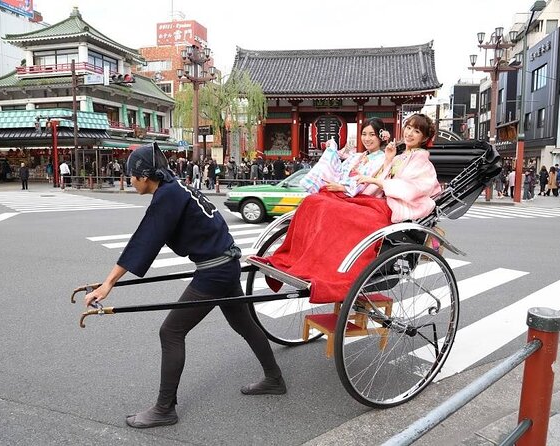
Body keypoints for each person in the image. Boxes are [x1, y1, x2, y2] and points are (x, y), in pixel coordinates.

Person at [84, 143, 286, 429]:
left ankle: (165, 409)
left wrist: (108, 284)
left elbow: (143, 242)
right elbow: (149, 239)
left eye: (132, 175)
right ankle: (274, 379)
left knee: (171, 331)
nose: (130, 180)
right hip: (224, 263)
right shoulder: (174, 187)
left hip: (215, 270)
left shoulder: (166, 196)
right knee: (244, 324)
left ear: (144, 176)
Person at [258, 114, 440, 304]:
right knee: (315, 201)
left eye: (416, 131)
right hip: (377, 201)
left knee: (340, 213)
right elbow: (384, 179)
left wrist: (374, 179)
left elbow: (412, 188)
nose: (410, 133)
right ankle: (303, 259)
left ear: (425, 138)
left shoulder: (422, 163)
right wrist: (388, 161)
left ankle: (331, 269)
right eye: (409, 128)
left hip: (393, 207)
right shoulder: (400, 156)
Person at [301, 117, 389, 197]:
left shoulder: (382, 159)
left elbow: (366, 183)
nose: (366, 139)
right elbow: (340, 170)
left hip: (357, 197)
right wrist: (331, 150)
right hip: (342, 191)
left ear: (380, 136)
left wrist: (343, 188)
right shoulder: (357, 156)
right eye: (364, 134)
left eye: (372, 134)